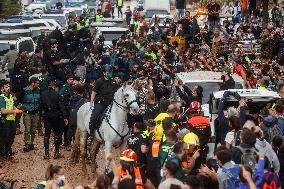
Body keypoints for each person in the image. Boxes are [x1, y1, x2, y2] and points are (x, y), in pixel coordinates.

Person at [40, 79, 68, 159]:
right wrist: (65, 117)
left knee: (47, 134)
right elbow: (61, 107)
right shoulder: (57, 94)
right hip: (56, 116)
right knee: (57, 134)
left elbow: (40, 106)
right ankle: (56, 153)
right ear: (54, 86)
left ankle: (46, 154)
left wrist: (40, 116)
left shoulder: (43, 94)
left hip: (47, 115)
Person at [89, 65, 119, 136]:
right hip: (101, 103)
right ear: (104, 73)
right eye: (108, 72)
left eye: (111, 72)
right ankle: (91, 133)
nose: (110, 73)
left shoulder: (113, 82)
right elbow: (94, 92)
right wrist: (91, 102)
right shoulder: (99, 81)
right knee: (94, 117)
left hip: (111, 103)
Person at [17, 77, 41, 152]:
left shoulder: (39, 90)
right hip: (27, 113)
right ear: (32, 83)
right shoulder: (24, 90)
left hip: (36, 113)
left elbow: (40, 100)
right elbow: (18, 101)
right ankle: (27, 144)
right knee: (27, 129)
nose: (38, 84)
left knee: (33, 130)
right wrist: (22, 107)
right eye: (37, 83)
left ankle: (31, 143)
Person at [0, 80, 22, 159]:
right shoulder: (1, 98)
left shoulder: (10, 96)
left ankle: (8, 151)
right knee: (4, 137)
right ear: (2, 89)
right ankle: (3, 154)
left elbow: (12, 106)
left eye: (8, 86)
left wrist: (18, 109)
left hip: (11, 119)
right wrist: (14, 111)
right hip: (4, 120)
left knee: (11, 136)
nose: (8, 88)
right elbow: (3, 111)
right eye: (6, 87)